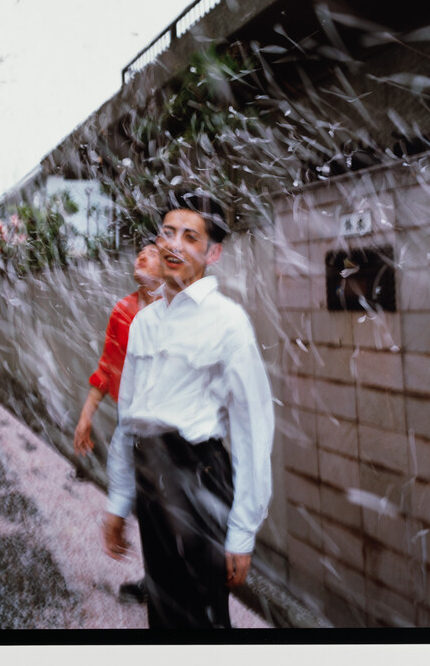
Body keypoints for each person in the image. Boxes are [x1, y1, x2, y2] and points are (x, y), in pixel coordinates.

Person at [102, 190, 275, 629]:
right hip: (150, 473)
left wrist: (242, 530)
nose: (174, 244)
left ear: (212, 252)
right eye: (167, 232)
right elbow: (129, 418)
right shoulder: (143, 323)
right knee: (161, 609)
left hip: (200, 473)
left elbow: (253, 425)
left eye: (190, 236)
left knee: (203, 616)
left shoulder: (228, 322)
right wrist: (120, 500)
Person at [73, 243, 162, 604]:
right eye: (139, 252)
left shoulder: (177, 309)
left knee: (167, 510)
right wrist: (86, 414)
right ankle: (157, 583)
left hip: (172, 431)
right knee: (147, 505)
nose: (141, 256)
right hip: (134, 424)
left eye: (151, 252)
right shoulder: (123, 311)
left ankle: (168, 587)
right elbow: (108, 365)